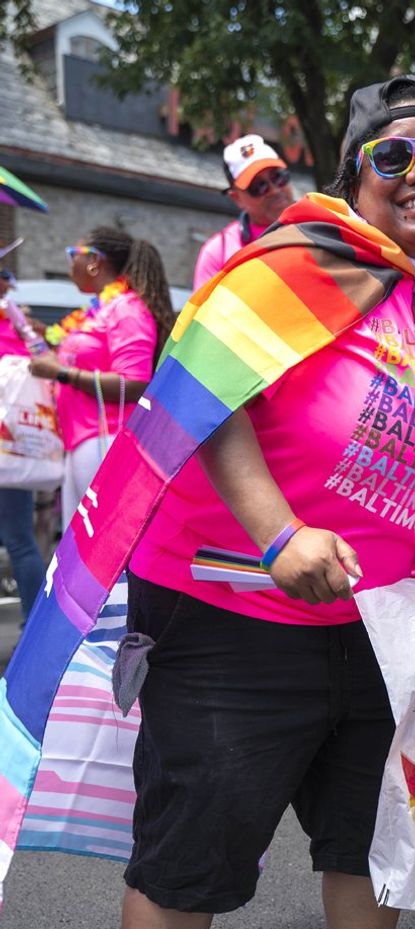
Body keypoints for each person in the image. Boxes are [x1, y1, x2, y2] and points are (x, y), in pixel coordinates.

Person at [71, 75, 415, 929]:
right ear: (350, 176)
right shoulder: (298, 265)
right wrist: (275, 534)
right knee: (194, 841)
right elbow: (199, 392)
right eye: (393, 155)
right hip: (230, 609)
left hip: (384, 621)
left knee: (367, 832)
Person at [27, 228, 173, 530]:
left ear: (95, 261)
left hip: (106, 443)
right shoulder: (99, 310)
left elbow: (134, 384)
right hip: (82, 442)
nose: (70, 265)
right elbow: (77, 349)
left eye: (73, 255)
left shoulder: (127, 310)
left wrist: (61, 373)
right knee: (79, 545)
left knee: (100, 543)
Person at [0, 270, 46, 623]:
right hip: (14, 453)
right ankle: (34, 626)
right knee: (20, 541)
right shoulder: (19, 324)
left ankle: (34, 622)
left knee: (20, 541)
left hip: (11, 454)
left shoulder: (16, 322)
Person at [192, 135, 295, 289]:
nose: (274, 190)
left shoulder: (320, 225)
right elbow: (204, 312)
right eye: (258, 186)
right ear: (236, 198)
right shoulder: (218, 252)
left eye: (277, 177)